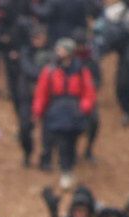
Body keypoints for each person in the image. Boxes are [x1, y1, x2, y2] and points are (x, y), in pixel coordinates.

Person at [31, 41, 97, 184]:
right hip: (56, 110)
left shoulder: (81, 70)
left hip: (74, 111)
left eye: (61, 50)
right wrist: (38, 110)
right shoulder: (49, 70)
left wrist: (84, 107)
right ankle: (65, 170)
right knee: (62, 141)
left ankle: (69, 166)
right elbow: (42, 92)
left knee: (72, 140)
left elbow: (88, 91)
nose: (58, 52)